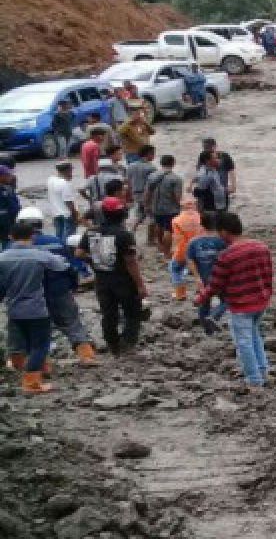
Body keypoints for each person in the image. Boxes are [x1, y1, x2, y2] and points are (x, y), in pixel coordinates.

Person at [195, 212, 273, 387]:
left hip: (241, 303)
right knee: (255, 335)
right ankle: (262, 370)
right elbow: (269, 274)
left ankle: (254, 380)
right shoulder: (262, 247)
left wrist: (201, 298)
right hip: (261, 299)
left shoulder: (227, 256)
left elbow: (215, 285)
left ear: (223, 232)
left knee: (244, 341)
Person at [0, 221, 71, 393]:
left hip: (14, 308)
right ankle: (31, 382)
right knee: (40, 346)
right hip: (36, 308)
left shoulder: (3, 257)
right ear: (32, 236)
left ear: (11, 237)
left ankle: (27, 369)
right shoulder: (39, 255)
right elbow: (62, 265)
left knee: (21, 343)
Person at [77, 199, 147, 356]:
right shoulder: (124, 235)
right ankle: (127, 343)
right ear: (122, 214)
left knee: (108, 314)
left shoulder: (91, 232)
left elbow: (79, 253)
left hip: (102, 280)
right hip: (123, 280)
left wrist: (95, 261)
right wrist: (140, 285)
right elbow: (131, 262)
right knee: (132, 312)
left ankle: (112, 344)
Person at [186, 212, 229, 333]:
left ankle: (207, 331)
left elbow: (190, 260)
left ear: (201, 223)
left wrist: (196, 277)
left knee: (204, 304)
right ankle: (214, 316)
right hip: (220, 278)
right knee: (227, 300)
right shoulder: (222, 241)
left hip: (203, 277)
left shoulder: (193, 242)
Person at [144, 154, 184, 257]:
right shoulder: (176, 178)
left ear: (161, 163)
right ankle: (167, 252)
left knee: (159, 226)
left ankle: (160, 248)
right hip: (170, 209)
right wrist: (183, 205)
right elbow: (177, 197)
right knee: (169, 230)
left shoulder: (152, 176)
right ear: (173, 163)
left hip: (156, 207)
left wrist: (146, 204)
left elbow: (148, 192)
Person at [168, 198, 204, 301]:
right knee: (200, 271)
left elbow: (177, 238)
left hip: (183, 250)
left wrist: (173, 249)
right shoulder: (200, 217)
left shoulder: (176, 220)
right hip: (199, 249)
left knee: (175, 270)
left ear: (182, 206)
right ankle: (202, 291)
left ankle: (180, 294)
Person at [126, 145, 157, 237]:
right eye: (153, 154)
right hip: (147, 194)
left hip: (136, 194)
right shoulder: (151, 168)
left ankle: (132, 232)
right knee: (152, 216)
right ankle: (151, 239)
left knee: (140, 215)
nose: (154, 156)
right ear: (148, 154)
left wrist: (130, 195)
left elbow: (128, 182)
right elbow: (152, 184)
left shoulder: (131, 166)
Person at [46, 162, 80, 242]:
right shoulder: (65, 184)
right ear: (67, 171)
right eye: (71, 171)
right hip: (67, 215)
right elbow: (68, 202)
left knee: (59, 237)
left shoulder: (51, 180)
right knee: (68, 240)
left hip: (56, 214)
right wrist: (75, 215)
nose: (72, 174)